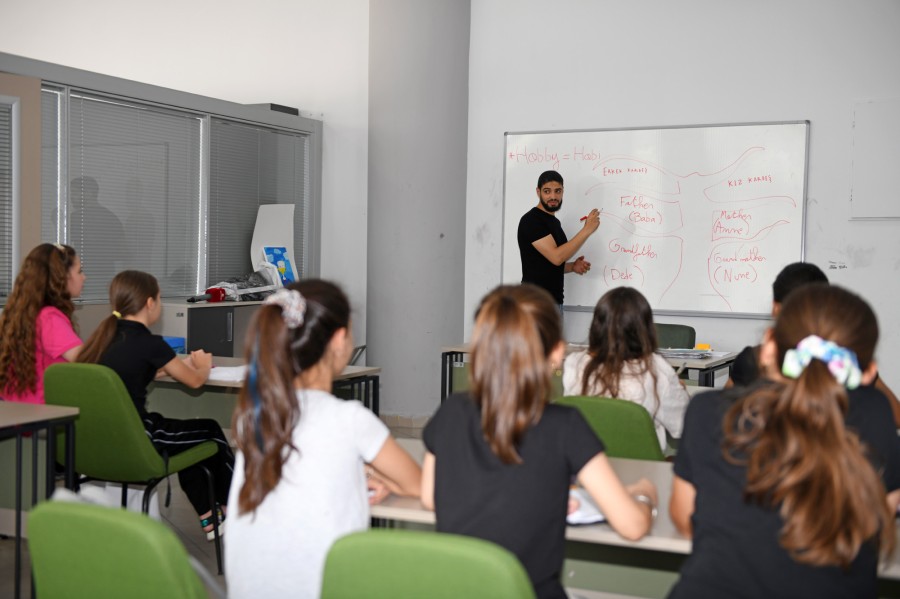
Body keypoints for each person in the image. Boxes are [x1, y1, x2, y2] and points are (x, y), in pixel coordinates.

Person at [421, 284, 657, 599]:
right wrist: (643, 496)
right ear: (557, 352)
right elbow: (633, 526)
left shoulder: (451, 411)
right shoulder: (566, 426)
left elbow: (431, 497)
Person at [668, 284, 900, 598]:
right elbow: (877, 527)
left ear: (767, 347)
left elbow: (686, 520)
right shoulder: (876, 414)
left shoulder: (708, 411)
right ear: (869, 373)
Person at [225, 280, 422, 599]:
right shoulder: (350, 419)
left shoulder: (255, 417)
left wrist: (361, 471)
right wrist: (384, 477)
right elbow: (418, 485)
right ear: (339, 340)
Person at [77, 270, 233, 540]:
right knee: (210, 431)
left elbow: (130, 375)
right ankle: (230, 510)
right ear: (150, 303)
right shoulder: (151, 343)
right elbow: (196, 381)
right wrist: (203, 365)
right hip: (141, 437)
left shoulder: (103, 339)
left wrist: (171, 368)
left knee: (192, 438)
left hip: (101, 440)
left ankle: (211, 515)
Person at [728, 261, 900, 426]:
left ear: (776, 309)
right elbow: (896, 416)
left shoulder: (751, 360)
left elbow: (723, 413)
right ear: (826, 309)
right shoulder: (847, 364)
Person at [562, 287, 689, 451]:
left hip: (586, 461)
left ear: (597, 325)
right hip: (642, 465)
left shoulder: (575, 364)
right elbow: (684, 425)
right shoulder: (655, 369)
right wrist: (679, 391)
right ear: (645, 328)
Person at [0, 243, 84, 404]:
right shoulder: (49, 318)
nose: (84, 277)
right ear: (62, 277)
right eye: (79, 271)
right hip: (42, 411)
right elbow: (85, 360)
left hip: (15, 405)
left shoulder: (21, 313)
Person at [518, 170, 600, 308]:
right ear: (538, 192)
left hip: (553, 303)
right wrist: (587, 230)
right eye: (547, 191)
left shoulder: (554, 223)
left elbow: (546, 265)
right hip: (535, 304)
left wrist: (572, 267)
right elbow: (557, 257)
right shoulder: (531, 220)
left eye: (557, 191)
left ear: (562, 192)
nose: (553, 196)